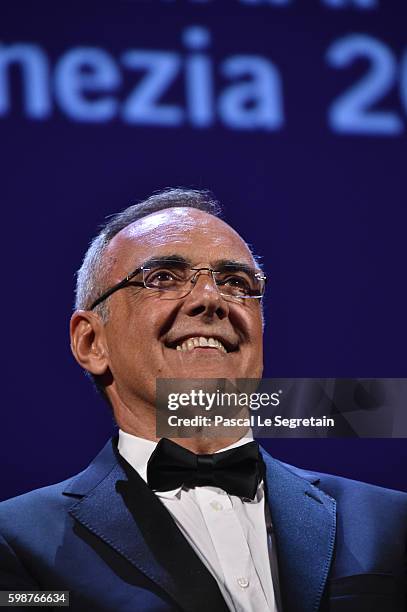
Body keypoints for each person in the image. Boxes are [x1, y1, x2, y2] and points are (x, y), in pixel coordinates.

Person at [0, 188, 406, 612]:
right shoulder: (17, 542)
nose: (211, 299)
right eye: (162, 278)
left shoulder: (390, 523)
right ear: (91, 342)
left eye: (236, 283)